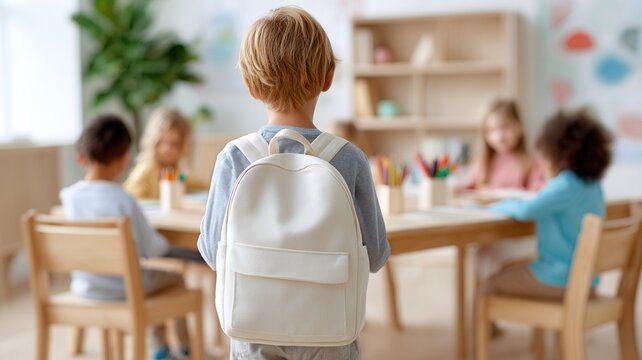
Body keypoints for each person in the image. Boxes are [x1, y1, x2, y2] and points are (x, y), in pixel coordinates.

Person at [197, 7, 390, 359]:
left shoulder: (234, 157)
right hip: (330, 331)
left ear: (251, 85)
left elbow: (212, 253)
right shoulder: (349, 159)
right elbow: (376, 256)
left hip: (251, 326)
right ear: (328, 77)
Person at [60, 115, 194, 360]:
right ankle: (180, 349)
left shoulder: (69, 197)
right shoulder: (123, 200)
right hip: (127, 287)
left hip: (86, 285)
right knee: (176, 278)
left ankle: (164, 347)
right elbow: (152, 250)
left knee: (152, 276)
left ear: (81, 157)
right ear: (123, 160)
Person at [484, 108, 612, 299]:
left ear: (556, 154)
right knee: (510, 266)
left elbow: (525, 210)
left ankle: (486, 328)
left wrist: (495, 205)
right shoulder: (592, 184)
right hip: (587, 281)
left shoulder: (565, 184)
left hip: (560, 280)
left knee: (488, 284)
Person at [124, 107, 209, 200]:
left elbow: (194, 184)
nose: (167, 149)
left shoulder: (176, 172)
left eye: (174, 144)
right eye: (162, 142)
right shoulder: (146, 169)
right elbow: (129, 198)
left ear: (183, 146)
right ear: (153, 141)